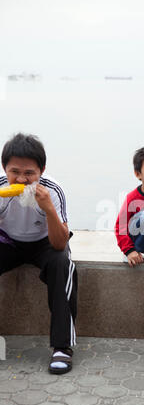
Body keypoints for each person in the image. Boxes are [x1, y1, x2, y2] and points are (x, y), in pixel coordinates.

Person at [0, 133, 77, 375]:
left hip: (46, 243)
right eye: (15, 172)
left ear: (41, 170)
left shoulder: (52, 190)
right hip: (9, 241)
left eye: (29, 173)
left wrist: (49, 210)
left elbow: (58, 242)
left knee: (63, 264)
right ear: (5, 169)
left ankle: (62, 347)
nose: (21, 180)